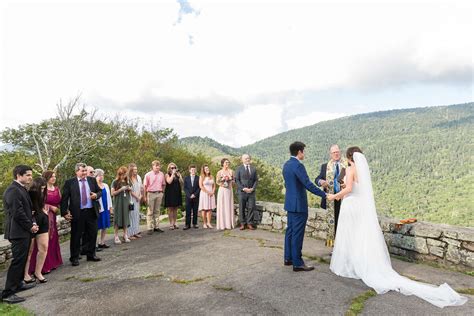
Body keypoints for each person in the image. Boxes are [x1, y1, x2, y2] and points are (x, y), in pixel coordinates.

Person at [329, 147, 467, 307]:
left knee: (353, 236)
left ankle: (354, 265)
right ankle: (362, 263)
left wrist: (334, 196)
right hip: (360, 208)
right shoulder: (362, 171)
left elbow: (348, 189)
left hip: (352, 205)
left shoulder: (351, 169)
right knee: (361, 236)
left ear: (348, 157)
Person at [282, 142, 329, 272]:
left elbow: (288, 185)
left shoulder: (286, 165)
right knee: (297, 233)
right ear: (299, 152)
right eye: (303, 151)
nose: (304, 154)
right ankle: (297, 263)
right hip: (299, 205)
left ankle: (288, 258)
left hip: (290, 203)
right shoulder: (298, 166)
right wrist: (324, 194)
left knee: (290, 231)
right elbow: (308, 184)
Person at [1, 165, 38, 304]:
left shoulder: (21, 188)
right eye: (28, 175)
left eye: (30, 175)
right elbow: (17, 213)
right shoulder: (12, 190)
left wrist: (32, 223)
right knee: (17, 261)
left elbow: (28, 210)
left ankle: (18, 284)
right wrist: (30, 226)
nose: (30, 177)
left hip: (23, 230)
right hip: (17, 232)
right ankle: (8, 293)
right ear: (18, 175)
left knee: (22, 260)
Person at [60, 162, 102, 266]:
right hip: (77, 213)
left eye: (85, 170)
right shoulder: (70, 182)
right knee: (76, 235)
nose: (84, 173)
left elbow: (100, 192)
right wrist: (64, 212)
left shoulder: (92, 180)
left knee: (92, 234)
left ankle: (91, 254)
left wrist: (96, 195)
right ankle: (74, 257)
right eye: (82, 171)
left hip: (91, 211)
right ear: (76, 171)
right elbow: (64, 199)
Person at [28, 171, 63, 275]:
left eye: (55, 176)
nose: (54, 178)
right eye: (51, 176)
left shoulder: (57, 189)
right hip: (43, 216)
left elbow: (60, 202)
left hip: (53, 216)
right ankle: (42, 267)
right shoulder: (40, 189)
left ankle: (53, 262)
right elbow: (37, 201)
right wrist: (49, 207)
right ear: (46, 178)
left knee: (53, 239)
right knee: (43, 242)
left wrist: (59, 209)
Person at [315, 144, 348, 247]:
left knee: (343, 224)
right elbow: (317, 179)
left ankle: (343, 246)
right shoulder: (325, 166)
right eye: (334, 152)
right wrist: (321, 182)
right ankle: (334, 247)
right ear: (331, 154)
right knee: (333, 225)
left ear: (340, 152)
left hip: (344, 199)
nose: (336, 154)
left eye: (337, 152)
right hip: (331, 199)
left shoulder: (347, 165)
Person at [25, 177, 49, 284]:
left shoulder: (43, 193)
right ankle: (25, 275)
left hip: (43, 219)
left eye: (44, 189)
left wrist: (43, 210)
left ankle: (38, 272)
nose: (43, 191)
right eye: (41, 188)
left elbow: (41, 204)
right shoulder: (29, 193)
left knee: (44, 247)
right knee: (29, 250)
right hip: (31, 222)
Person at [235, 154, 258, 230]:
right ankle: (242, 223)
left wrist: (253, 188)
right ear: (242, 160)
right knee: (242, 207)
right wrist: (243, 188)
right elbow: (237, 180)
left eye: (248, 158)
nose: (247, 159)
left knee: (251, 207)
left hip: (251, 192)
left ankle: (249, 223)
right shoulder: (238, 168)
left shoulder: (253, 169)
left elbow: (256, 180)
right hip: (242, 192)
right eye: (245, 158)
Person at [143, 160, 166, 235]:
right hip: (151, 194)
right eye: (156, 166)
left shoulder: (161, 174)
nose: (158, 167)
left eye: (159, 166)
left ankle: (157, 227)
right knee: (150, 211)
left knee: (157, 211)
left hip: (159, 193)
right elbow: (145, 186)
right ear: (152, 166)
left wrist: (162, 192)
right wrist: (145, 196)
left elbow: (163, 184)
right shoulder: (148, 175)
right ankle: (150, 228)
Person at [111, 166, 132, 244]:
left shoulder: (127, 181)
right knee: (117, 218)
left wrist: (129, 189)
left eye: (125, 174)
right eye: (122, 174)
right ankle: (116, 236)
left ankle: (125, 235)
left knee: (125, 218)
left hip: (126, 202)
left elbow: (130, 191)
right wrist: (121, 189)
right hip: (118, 203)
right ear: (119, 174)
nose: (124, 176)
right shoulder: (115, 182)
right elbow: (112, 193)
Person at [95, 169, 113, 248]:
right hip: (99, 209)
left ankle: (102, 242)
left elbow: (109, 197)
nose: (101, 177)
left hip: (106, 208)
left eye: (102, 175)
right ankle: (94, 244)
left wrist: (110, 207)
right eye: (99, 175)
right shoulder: (94, 185)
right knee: (97, 227)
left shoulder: (105, 185)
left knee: (105, 226)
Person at [216, 158, 235, 230]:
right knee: (222, 205)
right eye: (226, 162)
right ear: (223, 164)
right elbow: (217, 181)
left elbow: (234, 180)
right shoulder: (219, 172)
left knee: (228, 205)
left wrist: (230, 179)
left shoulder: (231, 171)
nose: (227, 164)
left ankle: (229, 224)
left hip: (229, 190)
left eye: (228, 162)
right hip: (222, 190)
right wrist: (222, 182)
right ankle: (222, 224)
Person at [164, 163, 183, 230]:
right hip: (170, 193)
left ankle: (175, 222)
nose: (173, 169)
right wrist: (172, 174)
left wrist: (179, 176)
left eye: (174, 167)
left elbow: (181, 182)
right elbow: (169, 181)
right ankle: (171, 223)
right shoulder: (167, 175)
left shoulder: (177, 174)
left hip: (177, 192)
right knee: (170, 209)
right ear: (169, 169)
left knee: (175, 208)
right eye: (172, 168)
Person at [128, 163, 143, 239]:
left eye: (136, 169)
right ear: (130, 170)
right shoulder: (128, 179)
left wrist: (140, 196)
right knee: (131, 215)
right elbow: (129, 190)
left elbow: (141, 188)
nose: (136, 171)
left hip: (138, 199)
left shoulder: (139, 177)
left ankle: (136, 232)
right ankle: (129, 234)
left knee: (137, 215)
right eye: (134, 169)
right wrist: (136, 196)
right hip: (131, 199)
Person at [198, 164, 216, 229]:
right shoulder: (201, 177)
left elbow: (214, 186)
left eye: (208, 168)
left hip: (211, 193)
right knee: (204, 209)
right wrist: (208, 192)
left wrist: (213, 192)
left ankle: (209, 223)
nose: (207, 170)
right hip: (204, 193)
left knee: (209, 209)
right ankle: (204, 223)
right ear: (203, 170)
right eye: (206, 169)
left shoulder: (212, 176)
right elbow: (201, 186)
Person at [183, 165, 200, 230]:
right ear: (189, 170)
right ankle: (187, 224)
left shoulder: (198, 178)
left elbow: (199, 188)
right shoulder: (186, 178)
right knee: (188, 211)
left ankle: (195, 223)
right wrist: (189, 195)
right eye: (192, 170)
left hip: (196, 197)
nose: (193, 171)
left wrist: (194, 194)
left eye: (194, 170)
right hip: (188, 197)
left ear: (195, 170)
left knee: (195, 211)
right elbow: (185, 188)